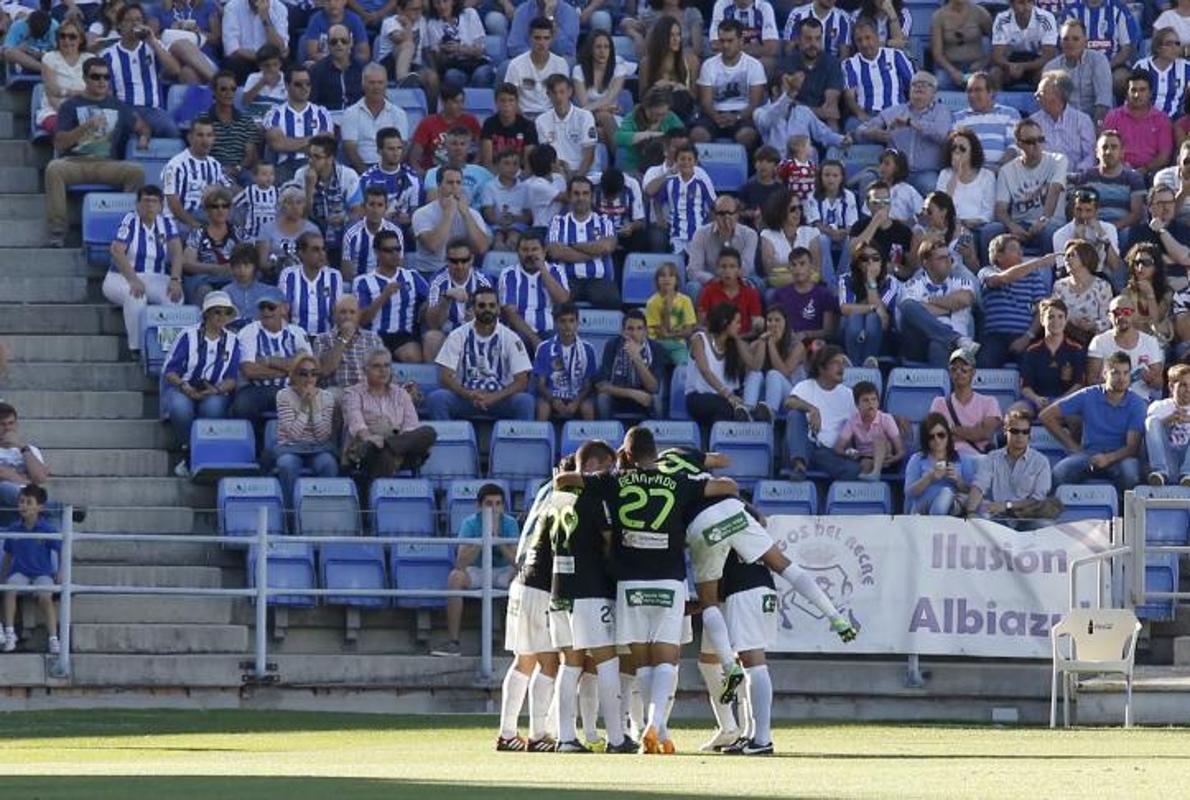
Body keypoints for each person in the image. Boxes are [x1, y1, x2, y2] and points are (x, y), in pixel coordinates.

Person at [552, 426, 739, 755]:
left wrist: (590, 475)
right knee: (667, 657)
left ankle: (643, 730)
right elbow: (728, 485)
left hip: (630, 583)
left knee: (640, 663)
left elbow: (564, 482)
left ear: (625, 454)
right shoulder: (679, 481)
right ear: (656, 451)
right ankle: (658, 725)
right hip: (669, 579)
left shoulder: (616, 481)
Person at [540, 440, 633, 753]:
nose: (613, 473)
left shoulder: (557, 499)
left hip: (560, 589)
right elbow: (608, 542)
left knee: (570, 664)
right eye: (610, 466)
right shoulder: (594, 497)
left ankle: (566, 738)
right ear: (598, 463)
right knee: (607, 661)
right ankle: (617, 739)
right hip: (591, 589)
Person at [44, 56, 147, 248]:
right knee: (53, 168)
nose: (102, 81)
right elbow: (59, 143)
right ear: (85, 78)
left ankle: (129, 227)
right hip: (76, 163)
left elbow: (142, 126)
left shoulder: (117, 105)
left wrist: (143, 137)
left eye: (106, 77)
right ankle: (57, 231)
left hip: (107, 163)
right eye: (96, 77)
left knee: (137, 171)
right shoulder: (70, 106)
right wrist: (85, 127)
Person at [497, 462, 563, 752]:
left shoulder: (545, 491)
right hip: (542, 586)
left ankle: (507, 733)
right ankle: (539, 735)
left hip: (522, 581)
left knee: (524, 660)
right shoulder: (567, 498)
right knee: (550, 661)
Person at [1040, 350, 1145, 493]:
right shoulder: (1088, 395)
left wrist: (1108, 458)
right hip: (1089, 454)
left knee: (1131, 473)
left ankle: (1124, 513)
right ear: (1104, 374)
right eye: (1115, 373)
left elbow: (1132, 447)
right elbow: (1046, 415)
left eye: (1126, 373)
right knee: (1060, 473)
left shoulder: (1137, 403)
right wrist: (1073, 447)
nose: (1121, 378)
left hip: (1120, 456)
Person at [427, 285, 535, 421]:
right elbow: (445, 377)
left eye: (491, 305)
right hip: (466, 398)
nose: (487, 309)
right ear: (473, 308)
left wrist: (494, 397)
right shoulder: (457, 335)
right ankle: (446, 441)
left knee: (525, 401)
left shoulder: (511, 338)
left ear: (498, 309)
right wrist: (468, 394)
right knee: (437, 398)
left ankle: (522, 442)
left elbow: (522, 381)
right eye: (482, 305)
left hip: (501, 399)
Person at [163, 291, 242, 475]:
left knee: (213, 408)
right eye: (217, 312)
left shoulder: (233, 341)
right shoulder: (187, 335)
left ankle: (194, 455)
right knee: (180, 408)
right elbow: (170, 371)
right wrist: (185, 387)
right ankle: (192, 451)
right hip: (183, 387)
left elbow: (231, 379)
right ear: (207, 313)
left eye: (226, 313)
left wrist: (215, 390)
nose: (222, 317)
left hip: (214, 390)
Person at [435, 481, 518, 657]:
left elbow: (517, 562)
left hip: (503, 571)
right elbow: (461, 563)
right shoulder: (470, 523)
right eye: (489, 504)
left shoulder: (510, 523)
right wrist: (483, 539)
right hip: (477, 570)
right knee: (455, 577)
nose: (494, 509)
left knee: (521, 580)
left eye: (498, 504)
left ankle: (515, 644)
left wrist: (496, 539)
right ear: (479, 506)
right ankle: (453, 642)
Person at [101, 185, 184, 354]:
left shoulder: (167, 223)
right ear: (138, 204)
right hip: (121, 276)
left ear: (161, 205)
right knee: (136, 296)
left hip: (155, 276)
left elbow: (177, 251)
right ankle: (137, 348)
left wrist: (175, 279)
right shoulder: (130, 220)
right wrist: (133, 279)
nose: (150, 205)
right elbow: (117, 250)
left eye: (154, 201)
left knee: (175, 297)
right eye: (146, 201)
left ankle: (166, 348)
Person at [341, 348, 436, 479]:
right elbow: (356, 423)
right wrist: (369, 437)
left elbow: (411, 426)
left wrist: (389, 443)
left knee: (428, 432)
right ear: (365, 370)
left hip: (399, 448)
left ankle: (389, 448)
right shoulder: (353, 393)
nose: (383, 370)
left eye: (387, 366)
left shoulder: (401, 394)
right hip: (367, 449)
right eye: (376, 366)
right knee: (376, 450)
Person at [854, 70, 951, 197]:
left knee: (930, 186)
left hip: (925, 172)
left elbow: (942, 134)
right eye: (915, 84)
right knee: (868, 180)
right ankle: (869, 218)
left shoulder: (941, 111)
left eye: (925, 84)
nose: (919, 86)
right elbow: (860, 130)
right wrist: (872, 133)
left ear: (934, 93)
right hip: (894, 172)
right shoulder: (895, 111)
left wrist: (912, 123)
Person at [231, 288, 311, 425]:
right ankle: (252, 444)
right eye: (262, 308)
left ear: (284, 309)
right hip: (257, 389)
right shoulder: (249, 332)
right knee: (242, 404)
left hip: (293, 388)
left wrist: (268, 361)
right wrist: (290, 369)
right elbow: (249, 370)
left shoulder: (297, 332)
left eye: (271, 307)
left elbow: (308, 367)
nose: (266, 312)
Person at [963, 410, 1055, 528]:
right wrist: (970, 513)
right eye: (1015, 431)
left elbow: (1038, 499)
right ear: (1005, 431)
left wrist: (1007, 505)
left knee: (1045, 526)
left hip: (1027, 518)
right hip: (998, 518)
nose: (1020, 436)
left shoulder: (1041, 461)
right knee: (978, 523)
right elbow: (979, 486)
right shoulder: (993, 458)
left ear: (1029, 434)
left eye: (1025, 432)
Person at [101, 3, 181, 138]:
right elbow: (107, 92)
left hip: (153, 110)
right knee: (119, 136)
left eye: (138, 20)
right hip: (125, 109)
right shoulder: (108, 55)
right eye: (129, 20)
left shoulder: (152, 47)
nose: (135, 24)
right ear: (119, 25)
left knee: (172, 131)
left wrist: (153, 41)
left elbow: (175, 70)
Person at [784, 344, 862, 480]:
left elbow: (868, 418)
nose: (841, 367)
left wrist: (895, 418)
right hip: (805, 446)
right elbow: (789, 402)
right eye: (835, 363)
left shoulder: (848, 394)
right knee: (795, 415)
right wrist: (812, 409)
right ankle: (800, 465)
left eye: (842, 363)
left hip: (829, 454)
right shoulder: (806, 386)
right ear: (821, 368)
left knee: (853, 469)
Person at [991, 118, 1068, 255]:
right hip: (1020, 224)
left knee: (1049, 232)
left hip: (1050, 223)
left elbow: (1054, 191)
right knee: (990, 231)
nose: (1037, 145)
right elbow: (1001, 209)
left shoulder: (1058, 160)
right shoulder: (1007, 170)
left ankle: (1049, 273)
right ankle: (990, 273)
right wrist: (1012, 226)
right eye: (1031, 142)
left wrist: (1043, 220)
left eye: (1040, 139)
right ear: (1019, 144)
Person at [273, 353, 339, 512]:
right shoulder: (283, 395)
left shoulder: (327, 397)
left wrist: (314, 407)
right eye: (303, 373)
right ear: (294, 375)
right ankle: (289, 514)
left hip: (317, 448)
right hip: (290, 447)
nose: (309, 378)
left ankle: (323, 515)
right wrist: (304, 407)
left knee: (328, 463)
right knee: (287, 465)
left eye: (314, 373)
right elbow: (294, 435)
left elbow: (323, 436)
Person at [897, 238, 977, 367]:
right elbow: (910, 308)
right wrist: (950, 307)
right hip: (919, 344)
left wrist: (929, 300)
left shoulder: (961, 281)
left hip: (954, 348)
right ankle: (954, 338)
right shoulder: (913, 284)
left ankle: (951, 341)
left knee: (938, 343)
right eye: (941, 258)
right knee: (908, 306)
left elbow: (964, 299)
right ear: (926, 263)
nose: (948, 261)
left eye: (948, 257)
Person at [1, 485, 61, 655]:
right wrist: (3, 576)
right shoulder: (14, 528)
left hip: (42, 573)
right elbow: (8, 555)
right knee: (9, 590)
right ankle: (10, 633)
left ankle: (53, 638)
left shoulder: (47, 529)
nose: (24, 506)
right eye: (21, 501)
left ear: (40, 507)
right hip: (20, 572)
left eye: (29, 502)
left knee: (44, 597)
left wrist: (62, 571)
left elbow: (61, 549)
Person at [976, 234, 1053, 367]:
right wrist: (1039, 263)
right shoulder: (986, 272)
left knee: (1037, 368)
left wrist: (1028, 336)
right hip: (995, 336)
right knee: (984, 366)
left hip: (1024, 335)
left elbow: (1042, 309)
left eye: (1020, 249)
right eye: (1013, 249)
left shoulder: (1033, 276)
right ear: (998, 256)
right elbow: (1002, 279)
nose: (1020, 252)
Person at [545, 176, 620, 309]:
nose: (581, 198)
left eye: (585, 193)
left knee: (612, 300)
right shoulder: (558, 221)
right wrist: (595, 252)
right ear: (569, 196)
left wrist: (571, 245)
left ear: (591, 196)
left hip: (598, 280)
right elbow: (556, 252)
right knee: (553, 300)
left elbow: (606, 247)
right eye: (576, 194)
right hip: (566, 280)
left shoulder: (604, 220)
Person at [690, 19, 766, 149]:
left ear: (741, 41)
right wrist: (716, 116)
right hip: (713, 115)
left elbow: (755, 102)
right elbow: (706, 102)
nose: (725, 45)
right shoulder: (709, 65)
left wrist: (737, 117)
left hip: (743, 115)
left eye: (730, 41)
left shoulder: (754, 65)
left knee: (747, 136)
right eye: (722, 41)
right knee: (698, 135)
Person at [354, 229, 426, 364]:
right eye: (388, 250)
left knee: (412, 356)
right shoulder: (362, 282)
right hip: (372, 335)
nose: (395, 254)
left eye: (397, 249)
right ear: (377, 252)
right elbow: (361, 320)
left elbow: (431, 299)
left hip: (403, 335)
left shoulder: (412, 276)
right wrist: (383, 296)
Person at [409, 165, 491, 273]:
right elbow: (433, 245)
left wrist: (466, 214)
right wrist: (448, 213)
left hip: (462, 271)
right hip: (430, 271)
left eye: (458, 182)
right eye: (450, 183)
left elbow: (482, 248)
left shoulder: (472, 214)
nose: (455, 187)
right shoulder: (422, 213)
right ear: (439, 185)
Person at [497, 231, 570, 352]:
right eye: (525, 250)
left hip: (549, 330)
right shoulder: (508, 274)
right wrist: (534, 339)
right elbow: (510, 313)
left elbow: (562, 300)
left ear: (544, 251)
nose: (530, 254)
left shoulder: (556, 271)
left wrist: (542, 269)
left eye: (534, 249)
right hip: (519, 332)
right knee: (516, 343)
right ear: (518, 252)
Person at [294, 134, 362, 261]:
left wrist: (344, 218)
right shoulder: (301, 174)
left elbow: (357, 211)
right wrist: (309, 188)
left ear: (330, 159)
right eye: (309, 156)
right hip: (312, 228)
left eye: (317, 157)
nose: (310, 161)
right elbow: (300, 215)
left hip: (341, 228)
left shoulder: (348, 175)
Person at [687, 302, 755, 427]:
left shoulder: (733, 345)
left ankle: (718, 444)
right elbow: (705, 371)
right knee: (725, 407)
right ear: (725, 322)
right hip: (699, 397)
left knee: (723, 412)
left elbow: (753, 365)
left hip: (725, 399)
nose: (740, 326)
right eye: (737, 322)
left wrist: (737, 340)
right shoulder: (699, 339)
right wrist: (728, 395)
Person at [262, 66, 334, 184]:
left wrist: (289, 143)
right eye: (298, 84)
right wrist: (314, 140)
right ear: (287, 85)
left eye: (308, 83)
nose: (304, 88)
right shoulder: (274, 113)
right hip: (286, 167)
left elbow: (327, 143)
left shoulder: (322, 112)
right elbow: (277, 144)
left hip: (316, 166)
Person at [1086, 295, 1165, 401]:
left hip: (1140, 401)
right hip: (1108, 400)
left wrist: (1150, 378)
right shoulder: (1099, 341)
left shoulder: (1150, 342)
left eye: (1126, 312)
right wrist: (1114, 380)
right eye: (1117, 312)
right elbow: (1091, 381)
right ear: (1109, 316)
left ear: (1134, 314)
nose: (1122, 316)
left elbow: (1159, 384)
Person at [422, 239, 490, 361]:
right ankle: (434, 379)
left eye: (464, 260)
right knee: (432, 337)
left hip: (475, 330)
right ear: (446, 260)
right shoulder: (437, 281)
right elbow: (432, 324)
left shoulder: (483, 281)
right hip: (446, 331)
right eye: (454, 261)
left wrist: (478, 318)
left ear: (472, 259)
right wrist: (446, 298)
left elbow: (493, 316)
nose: (459, 266)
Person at [1069, 130, 1145, 237]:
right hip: (1090, 226)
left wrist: (1110, 229)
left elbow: (1136, 214)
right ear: (1097, 152)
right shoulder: (1087, 177)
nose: (1108, 151)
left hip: (1121, 229)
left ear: (1122, 152)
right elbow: (1077, 208)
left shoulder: (1133, 178)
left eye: (1114, 147)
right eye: (1104, 147)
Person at [1018, 297, 1086, 415]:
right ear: (1042, 320)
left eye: (1060, 317)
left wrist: (1061, 401)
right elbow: (1025, 386)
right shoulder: (1032, 351)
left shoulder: (1076, 349)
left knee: (1075, 419)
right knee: (1015, 412)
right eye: (1050, 317)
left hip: (1066, 401)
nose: (1056, 321)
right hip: (1037, 401)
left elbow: (1079, 384)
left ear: (1066, 320)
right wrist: (1036, 399)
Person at [929, 349, 1003, 457]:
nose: (959, 372)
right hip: (948, 458)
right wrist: (973, 431)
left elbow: (985, 433)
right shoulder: (938, 402)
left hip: (978, 459)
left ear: (973, 372)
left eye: (964, 369)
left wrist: (949, 429)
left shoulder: (989, 402)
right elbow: (934, 436)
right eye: (954, 369)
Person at [841, 17, 914, 127]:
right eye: (859, 40)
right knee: (851, 125)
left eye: (868, 38)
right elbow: (849, 97)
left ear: (877, 36)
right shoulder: (850, 64)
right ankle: (886, 136)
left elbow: (912, 85)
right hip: (869, 115)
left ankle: (882, 135)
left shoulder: (895, 55)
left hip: (896, 113)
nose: (864, 44)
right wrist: (861, 115)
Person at [532, 302, 597, 422]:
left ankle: (591, 440)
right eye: (563, 321)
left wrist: (577, 402)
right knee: (543, 407)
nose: (567, 325)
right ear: (556, 323)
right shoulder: (544, 348)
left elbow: (588, 385)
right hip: (552, 396)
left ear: (578, 323)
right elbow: (541, 384)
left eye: (571, 321)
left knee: (587, 407)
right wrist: (553, 400)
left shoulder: (588, 349)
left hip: (577, 396)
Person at [595, 310, 665, 421]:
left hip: (644, 398)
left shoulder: (656, 348)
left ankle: (656, 436)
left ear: (646, 331)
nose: (634, 333)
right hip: (618, 396)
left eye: (639, 328)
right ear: (623, 331)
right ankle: (606, 436)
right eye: (630, 329)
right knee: (603, 398)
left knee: (656, 400)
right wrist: (632, 393)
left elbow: (654, 388)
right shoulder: (612, 345)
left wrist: (636, 358)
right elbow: (602, 385)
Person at [685, 195, 759, 300]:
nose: (726, 217)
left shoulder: (749, 234)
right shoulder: (701, 234)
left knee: (758, 283)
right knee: (693, 287)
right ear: (714, 215)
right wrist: (714, 279)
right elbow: (693, 270)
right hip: (711, 280)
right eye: (721, 214)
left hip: (740, 279)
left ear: (737, 215)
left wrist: (729, 276)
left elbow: (747, 267)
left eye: (730, 213)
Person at [1103, 70, 1174, 178]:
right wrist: (1121, 167)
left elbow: (1164, 156)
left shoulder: (1161, 119)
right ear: (1127, 93)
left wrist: (1145, 169)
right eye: (1133, 90)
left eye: (1142, 90)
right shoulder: (1113, 117)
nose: (1137, 95)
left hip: (1150, 173)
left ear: (1150, 93)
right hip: (1118, 170)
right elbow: (1105, 148)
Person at [904, 413, 978, 515]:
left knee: (947, 495)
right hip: (922, 507)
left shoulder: (962, 458)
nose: (937, 440)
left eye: (941, 435)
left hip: (950, 506)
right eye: (931, 437)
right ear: (926, 439)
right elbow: (909, 493)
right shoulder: (917, 459)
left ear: (948, 435)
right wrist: (929, 478)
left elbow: (972, 491)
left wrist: (958, 480)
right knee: (946, 493)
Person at [341, 64, 409, 173]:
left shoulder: (399, 114)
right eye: (371, 83)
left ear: (386, 84)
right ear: (363, 84)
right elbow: (350, 149)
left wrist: (389, 172)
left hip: (391, 167)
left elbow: (403, 147)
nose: (376, 87)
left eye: (380, 83)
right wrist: (367, 175)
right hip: (361, 168)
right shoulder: (350, 113)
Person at [741, 306, 806, 420]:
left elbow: (785, 372)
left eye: (777, 320)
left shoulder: (797, 345)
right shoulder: (757, 343)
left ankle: (769, 415)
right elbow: (755, 368)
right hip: (762, 400)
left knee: (773, 374)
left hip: (792, 399)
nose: (773, 324)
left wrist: (771, 344)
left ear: (786, 323)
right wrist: (762, 343)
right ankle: (748, 412)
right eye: (769, 320)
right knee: (756, 374)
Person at [838, 242, 896, 368]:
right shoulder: (846, 279)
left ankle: (868, 363)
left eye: (875, 258)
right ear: (858, 263)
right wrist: (872, 308)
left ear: (882, 262)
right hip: (850, 330)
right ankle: (855, 364)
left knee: (872, 319)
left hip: (880, 333)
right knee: (855, 317)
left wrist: (870, 280)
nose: (870, 263)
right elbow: (845, 308)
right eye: (864, 259)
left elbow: (883, 316)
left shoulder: (890, 281)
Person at [1043, 19, 1112, 124]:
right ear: (1060, 43)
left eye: (1075, 39)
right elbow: (1049, 105)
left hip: (1093, 122)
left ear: (1085, 41)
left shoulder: (1099, 60)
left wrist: (1095, 128)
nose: (1070, 43)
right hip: (1062, 124)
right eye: (1065, 39)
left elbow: (1103, 102)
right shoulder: (1051, 68)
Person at [781, 16, 844, 131]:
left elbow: (831, 111)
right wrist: (818, 111)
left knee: (833, 129)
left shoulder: (832, 63)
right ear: (799, 40)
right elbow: (784, 106)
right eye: (808, 39)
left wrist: (798, 106)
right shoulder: (788, 63)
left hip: (822, 125)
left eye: (818, 39)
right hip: (794, 123)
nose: (813, 44)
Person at [278, 231, 346, 337]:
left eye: (323, 249)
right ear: (301, 253)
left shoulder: (334, 276)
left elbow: (338, 313)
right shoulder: (289, 275)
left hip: (327, 338)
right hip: (297, 338)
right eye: (315, 250)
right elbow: (283, 313)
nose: (322, 254)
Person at [312, 295, 386, 390]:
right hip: (338, 390)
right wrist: (343, 339)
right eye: (343, 312)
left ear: (359, 314)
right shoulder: (322, 339)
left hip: (367, 391)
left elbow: (383, 370)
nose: (348, 316)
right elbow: (325, 370)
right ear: (335, 314)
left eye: (352, 312)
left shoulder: (373, 339)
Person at [357, 128, 423, 233]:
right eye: (391, 149)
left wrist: (410, 218)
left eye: (399, 148)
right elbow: (361, 214)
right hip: (376, 232)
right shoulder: (367, 180)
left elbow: (417, 214)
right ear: (379, 151)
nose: (396, 153)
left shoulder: (413, 178)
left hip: (405, 232)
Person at [834, 380, 905, 479]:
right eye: (865, 400)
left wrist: (892, 459)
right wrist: (848, 453)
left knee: (879, 438)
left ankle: (876, 473)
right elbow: (838, 447)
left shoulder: (886, 419)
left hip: (886, 458)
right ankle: (868, 487)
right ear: (857, 404)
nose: (871, 404)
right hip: (864, 457)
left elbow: (900, 451)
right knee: (865, 465)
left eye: (874, 399)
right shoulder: (852, 421)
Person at [637, 15, 702, 122]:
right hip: (655, 113)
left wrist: (682, 88)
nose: (676, 39)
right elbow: (642, 99)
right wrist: (656, 88)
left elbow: (696, 98)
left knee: (679, 96)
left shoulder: (691, 61)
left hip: (684, 112)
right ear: (662, 37)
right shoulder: (647, 63)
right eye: (671, 35)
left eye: (678, 35)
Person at [1029, 70, 1096, 172]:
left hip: (1075, 179)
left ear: (1057, 95)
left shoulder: (1082, 121)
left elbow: (1090, 155)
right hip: (1041, 178)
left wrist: (1078, 173)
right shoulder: (1033, 122)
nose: (1035, 96)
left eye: (1041, 92)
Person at [953, 71, 1021, 171]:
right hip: (970, 172)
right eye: (969, 91)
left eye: (978, 90)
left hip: (1002, 170)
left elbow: (1014, 146)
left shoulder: (1010, 114)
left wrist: (999, 168)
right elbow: (957, 149)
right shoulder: (958, 117)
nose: (972, 95)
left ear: (991, 93)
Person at [502, 17, 569, 118]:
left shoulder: (561, 64)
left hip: (552, 117)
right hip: (523, 116)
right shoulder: (515, 64)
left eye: (546, 38)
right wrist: (525, 122)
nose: (541, 43)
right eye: (537, 38)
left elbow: (563, 98)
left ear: (552, 39)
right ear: (530, 38)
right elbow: (510, 99)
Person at [771, 247, 838, 347]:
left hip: (814, 345)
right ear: (790, 269)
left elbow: (828, 331)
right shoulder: (780, 294)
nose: (798, 269)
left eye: (802, 264)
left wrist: (806, 334)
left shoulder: (824, 294)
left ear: (811, 266)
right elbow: (775, 324)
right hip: (787, 343)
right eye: (794, 265)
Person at [848, 181, 914, 279]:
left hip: (894, 282)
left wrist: (894, 267)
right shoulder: (859, 227)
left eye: (886, 201)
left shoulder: (903, 231)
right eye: (876, 202)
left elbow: (909, 271)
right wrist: (875, 222)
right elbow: (853, 251)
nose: (882, 206)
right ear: (868, 204)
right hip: (865, 279)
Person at [208, 71, 262, 188]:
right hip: (212, 171)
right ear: (214, 92)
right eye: (223, 89)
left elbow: (250, 155)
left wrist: (236, 168)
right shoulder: (204, 119)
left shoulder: (246, 120)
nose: (229, 93)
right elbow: (201, 152)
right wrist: (221, 170)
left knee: (254, 185)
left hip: (240, 170)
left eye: (233, 89)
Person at [759, 193, 824, 288]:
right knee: (770, 295)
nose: (798, 212)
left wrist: (784, 267)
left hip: (808, 285)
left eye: (800, 208)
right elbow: (769, 268)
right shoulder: (768, 235)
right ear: (780, 211)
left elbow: (815, 267)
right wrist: (802, 266)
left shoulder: (811, 233)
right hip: (780, 286)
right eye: (792, 209)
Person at [990, 0, 1058, 90]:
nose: (1026, 6)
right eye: (1021, 2)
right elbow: (997, 56)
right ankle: (996, 102)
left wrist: (1023, 67)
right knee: (995, 74)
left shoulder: (1046, 18)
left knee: (1047, 75)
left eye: (1029, 2)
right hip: (1010, 64)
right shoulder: (1002, 19)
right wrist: (1009, 66)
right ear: (1011, 4)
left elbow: (1049, 56)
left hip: (1036, 64)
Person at [255, 185, 319, 280]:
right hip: (274, 278)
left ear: (304, 205)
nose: (295, 207)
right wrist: (279, 264)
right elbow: (262, 263)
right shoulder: (267, 228)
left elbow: (320, 259)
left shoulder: (312, 229)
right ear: (282, 205)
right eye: (289, 203)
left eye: (299, 203)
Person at [0, 404, 50, 525]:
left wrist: (22, 447)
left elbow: (40, 478)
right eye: (2, 424)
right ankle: (52, 507)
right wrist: (28, 482)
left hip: (22, 510)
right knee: (5, 487)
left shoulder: (29, 450)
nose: (7, 428)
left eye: (11, 423)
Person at [938, 129, 995, 233]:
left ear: (972, 151)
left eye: (962, 148)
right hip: (951, 226)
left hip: (978, 227)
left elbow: (988, 212)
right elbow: (941, 207)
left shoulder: (987, 176)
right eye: (953, 148)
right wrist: (955, 175)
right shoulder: (945, 174)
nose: (957, 151)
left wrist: (971, 222)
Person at [35, 18, 86, 135]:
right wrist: (77, 94)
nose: (66, 40)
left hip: (86, 112)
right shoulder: (50, 58)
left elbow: (95, 92)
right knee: (69, 127)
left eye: (72, 36)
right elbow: (52, 94)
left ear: (81, 39)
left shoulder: (90, 59)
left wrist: (64, 92)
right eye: (62, 36)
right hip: (54, 111)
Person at [341, 186, 404, 281]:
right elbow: (347, 271)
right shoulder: (351, 233)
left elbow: (399, 265)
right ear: (363, 207)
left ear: (386, 208)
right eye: (371, 204)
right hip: (359, 283)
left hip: (387, 282)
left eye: (380, 205)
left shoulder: (395, 231)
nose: (375, 210)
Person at [696, 248, 763, 336]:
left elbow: (755, 323)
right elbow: (702, 323)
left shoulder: (751, 293)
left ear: (739, 270)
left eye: (732, 267)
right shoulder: (708, 291)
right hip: (716, 339)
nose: (727, 271)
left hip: (743, 339)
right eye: (723, 267)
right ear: (717, 270)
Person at [1119, 242, 1174, 347]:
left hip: (1157, 341)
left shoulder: (1166, 292)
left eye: (1146, 263)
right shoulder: (1126, 292)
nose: (1140, 267)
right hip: (1132, 339)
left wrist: (1150, 294)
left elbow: (1156, 320)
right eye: (1137, 262)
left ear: (1156, 266)